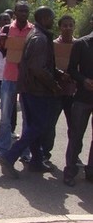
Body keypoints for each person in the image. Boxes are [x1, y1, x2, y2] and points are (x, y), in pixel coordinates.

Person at [0, 7, 63, 179]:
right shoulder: (40, 38)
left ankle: (36, 161)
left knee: (34, 125)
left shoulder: (35, 34)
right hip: (37, 90)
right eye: (51, 17)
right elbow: (37, 68)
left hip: (30, 88)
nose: (53, 20)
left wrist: (57, 73)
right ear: (43, 18)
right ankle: (10, 155)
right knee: (38, 126)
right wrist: (54, 84)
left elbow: (39, 64)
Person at [0, 1, 34, 160]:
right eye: (20, 11)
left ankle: (25, 152)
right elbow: (2, 50)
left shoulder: (33, 30)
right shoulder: (6, 29)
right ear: (15, 13)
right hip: (9, 76)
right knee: (5, 117)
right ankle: (2, 150)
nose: (23, 14)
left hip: (27, 79)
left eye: (26, 11)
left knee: (27, 117)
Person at [63, 14, 93, 186]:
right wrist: (83, 80)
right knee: (76, 135)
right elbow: (71, 69)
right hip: (82, 97)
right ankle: (70, 171)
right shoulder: (82, 44)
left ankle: (90, 171)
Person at [46, 15, 77, 163]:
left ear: (74, 27)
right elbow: (49, 66)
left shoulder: (79, 45)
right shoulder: (52, 45)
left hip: (73, 92)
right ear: (60, 27)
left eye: (71, 25)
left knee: (75, 127)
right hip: (55, 91)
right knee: (50, 124)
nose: (68, 28)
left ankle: (74, 155)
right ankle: (46, 154)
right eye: (65, 25)